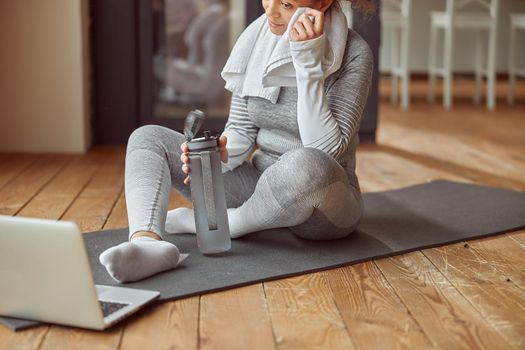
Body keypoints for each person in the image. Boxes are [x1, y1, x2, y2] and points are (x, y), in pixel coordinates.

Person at [99, 0, 374, 283]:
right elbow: (241, 129)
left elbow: (324, 151)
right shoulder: (258, 41)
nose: (271, 11)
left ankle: (229, 224)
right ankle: (146, 244)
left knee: (307, 162)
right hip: (259, 186)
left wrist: (307, 68)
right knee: (147, 137)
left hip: (323, 204)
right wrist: (221, 153)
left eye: (288, 4)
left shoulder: (354, 53)